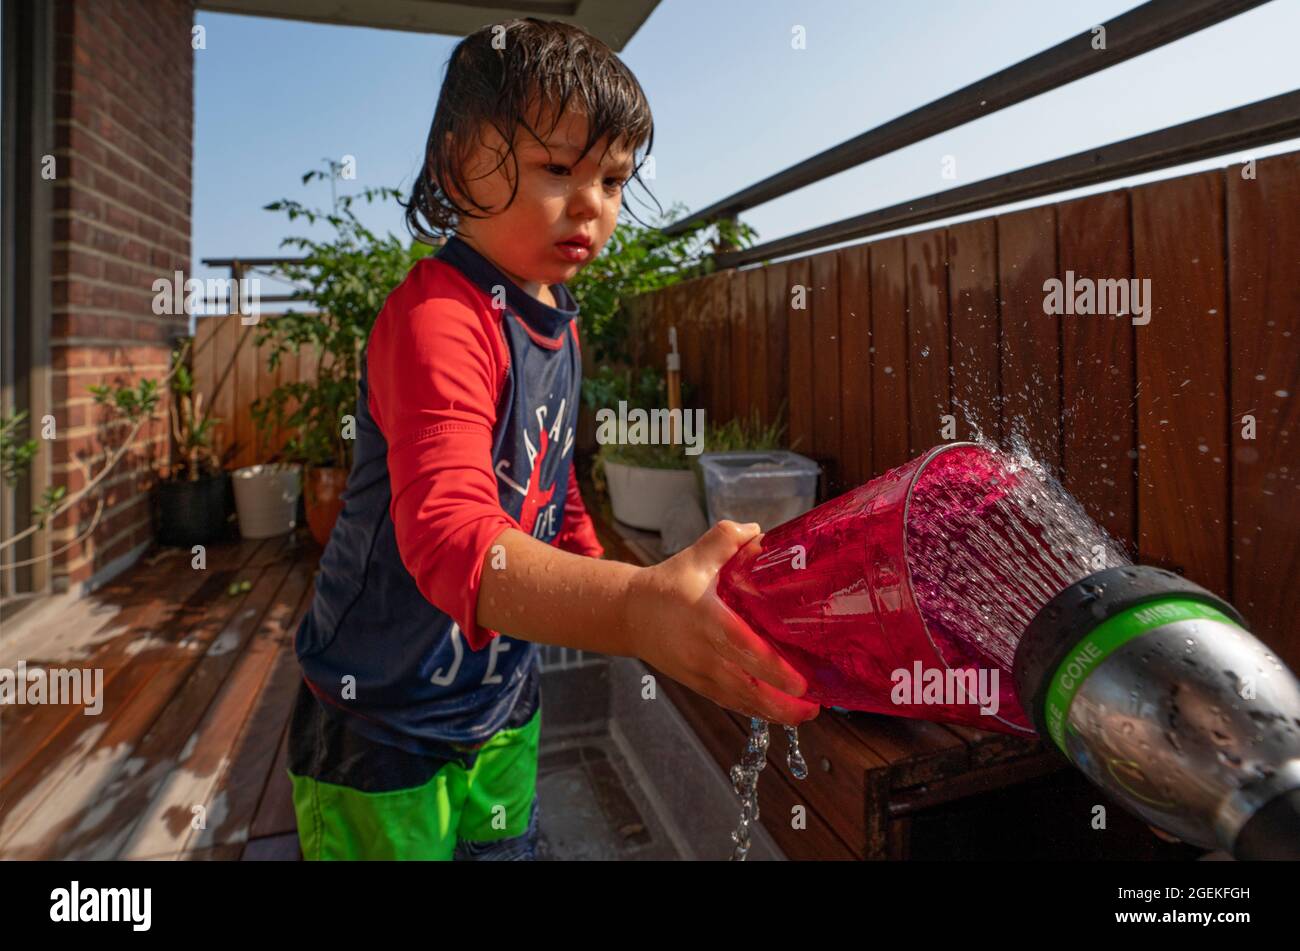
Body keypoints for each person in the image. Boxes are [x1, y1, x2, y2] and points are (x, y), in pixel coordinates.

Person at [287, 17, 818, 861]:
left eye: (612, 178)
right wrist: (636, 611)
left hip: (499, 696)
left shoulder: (556, 321)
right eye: (557, 169)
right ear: (458, 161)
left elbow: (549, 478)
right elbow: (451, 540)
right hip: (381, 716)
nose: (592, 205)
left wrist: (609, 573)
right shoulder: (439, 321)